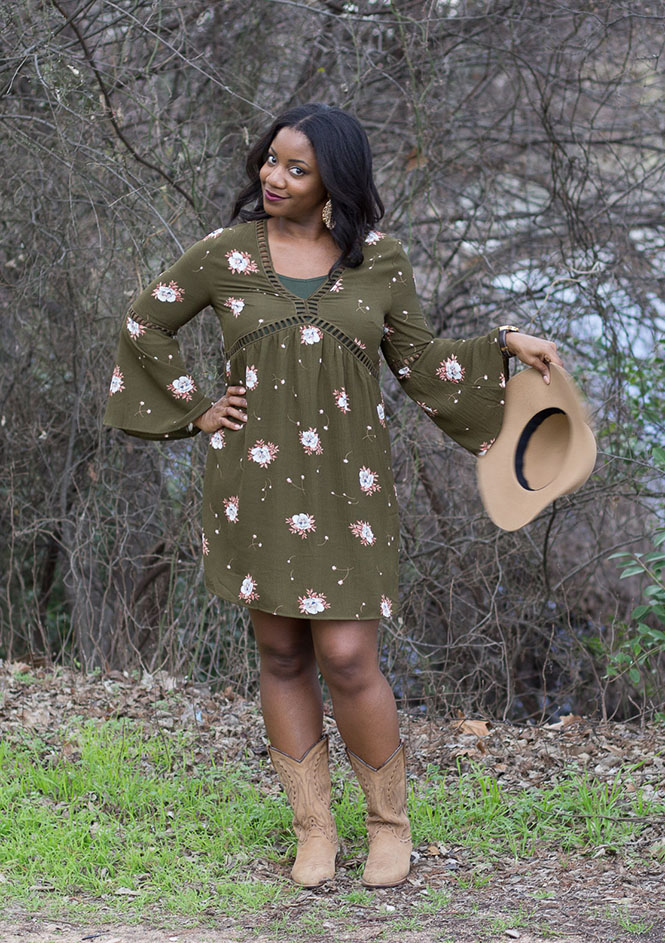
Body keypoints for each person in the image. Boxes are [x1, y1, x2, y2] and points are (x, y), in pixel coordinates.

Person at [104, 103, 562, 889]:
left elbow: (421, 362)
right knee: (282, 652)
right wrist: (196, 409)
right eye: (270, 160)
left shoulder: (378, 260)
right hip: (254, 481)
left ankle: (388, 824)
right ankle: (313, 829)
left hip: (350, 486)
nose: (273, 177)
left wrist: (500, 345)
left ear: (334, 183)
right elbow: (145, 324)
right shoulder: (225, 254)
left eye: (296, 168)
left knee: (348, 657)